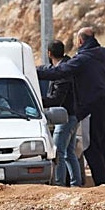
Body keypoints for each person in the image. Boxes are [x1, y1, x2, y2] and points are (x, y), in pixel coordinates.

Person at [37, 26, 105, 186]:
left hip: (92, 109)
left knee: (91, 147)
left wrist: (34, 72)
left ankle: (101, 183)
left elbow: (59, 72)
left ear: (80, 40)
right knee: (104, 145)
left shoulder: (84, 58)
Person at [43, 40, 81, 186]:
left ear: (49, 53)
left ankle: (59, 184)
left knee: (58, 153)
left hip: (64, 117)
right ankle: (75, 184)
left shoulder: (62, 72)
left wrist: (39, 102)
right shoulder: (67, 67)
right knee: (69, 152)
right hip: (72, 115)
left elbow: (57, 99)